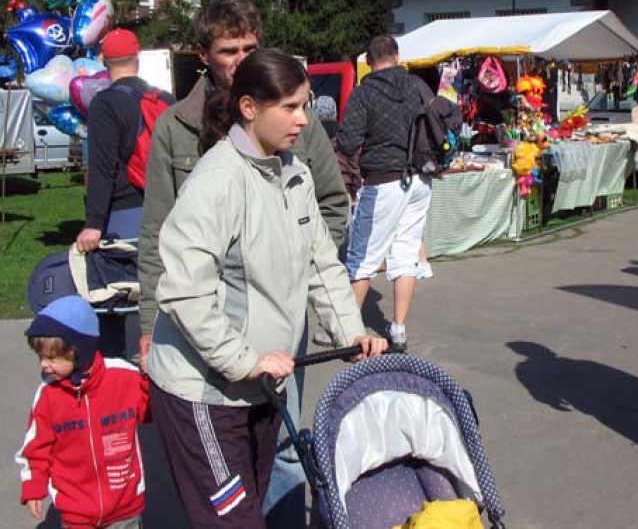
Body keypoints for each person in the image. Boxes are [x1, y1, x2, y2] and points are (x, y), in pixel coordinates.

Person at [145, 49, 386, 529]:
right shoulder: (217, 179)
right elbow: (184, 293)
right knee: (233, 522)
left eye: (305, 105)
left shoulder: (295, 174)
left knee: (250, 512)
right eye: (289, 107)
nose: (304, 119)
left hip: (260, 385)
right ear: (249, 108)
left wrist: (351, 334)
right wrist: (244, 361)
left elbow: (322, 265)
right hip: (205, 392)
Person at [16, 295, 149, 528]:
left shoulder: (124, 377)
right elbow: (36, 447)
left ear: (78, 352)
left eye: (52, 358)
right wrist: (33, 486)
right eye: (41, 357)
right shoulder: (48, 394)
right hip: (75, 510)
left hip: (124, 506)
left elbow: (151, 411)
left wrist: (151, 379)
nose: (43, 365)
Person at [336, 35, 433, 351]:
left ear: (368, 61)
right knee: (406, 255)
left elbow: (348, 142)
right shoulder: (416, 87)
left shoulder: (364, 93)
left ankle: (347, 331)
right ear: (397, 56)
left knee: (362, 257)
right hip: (420, 178)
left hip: (383, 181)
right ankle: (399, 329)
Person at [76, 28, 174, 252]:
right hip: (168, 209)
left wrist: (93, 223)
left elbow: (102, 166)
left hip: (126, 211)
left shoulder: (104, 104)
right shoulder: (164, 99)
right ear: (137, 57)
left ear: (103, 60)